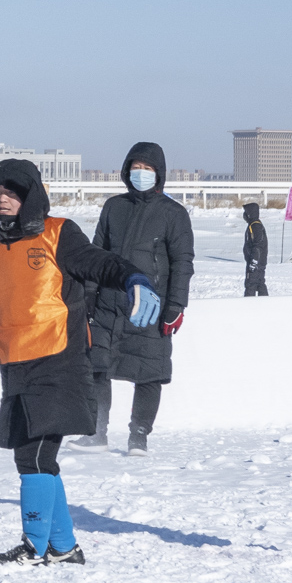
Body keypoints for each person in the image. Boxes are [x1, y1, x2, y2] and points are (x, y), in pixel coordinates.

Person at [0, 160, 158, 566]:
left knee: (31, 458)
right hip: (14, 364)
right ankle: (63, 548)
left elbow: (100, 262)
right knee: (39, 459)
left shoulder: (57, 233)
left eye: (12, 192)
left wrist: (134, 278)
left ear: (30, 196)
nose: (3, 199)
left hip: (60, 359)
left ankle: (34, 547)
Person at [83, 142, 193, 455]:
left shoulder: (174, 214)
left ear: (159, 173)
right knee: (97, 366)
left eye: (147, 169)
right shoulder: (113, 207)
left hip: (149, 307)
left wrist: (176, 307)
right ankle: (96, 432)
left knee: (149, 372)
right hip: (108, 302)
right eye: (136, 168)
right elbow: (97, 254)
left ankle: (139, 436)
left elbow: (183, 263)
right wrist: (89, 293)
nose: (140, 174)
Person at [242, 201, 269, 296]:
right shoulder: (253, 224)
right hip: (258, 261)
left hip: (256, 262)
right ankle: (264, 304)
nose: (244, 215)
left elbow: (258, 245)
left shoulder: (255, 225)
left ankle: (249, 306)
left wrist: (254, 261)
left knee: (251, 284)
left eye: (245, 213)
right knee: (259, 283)